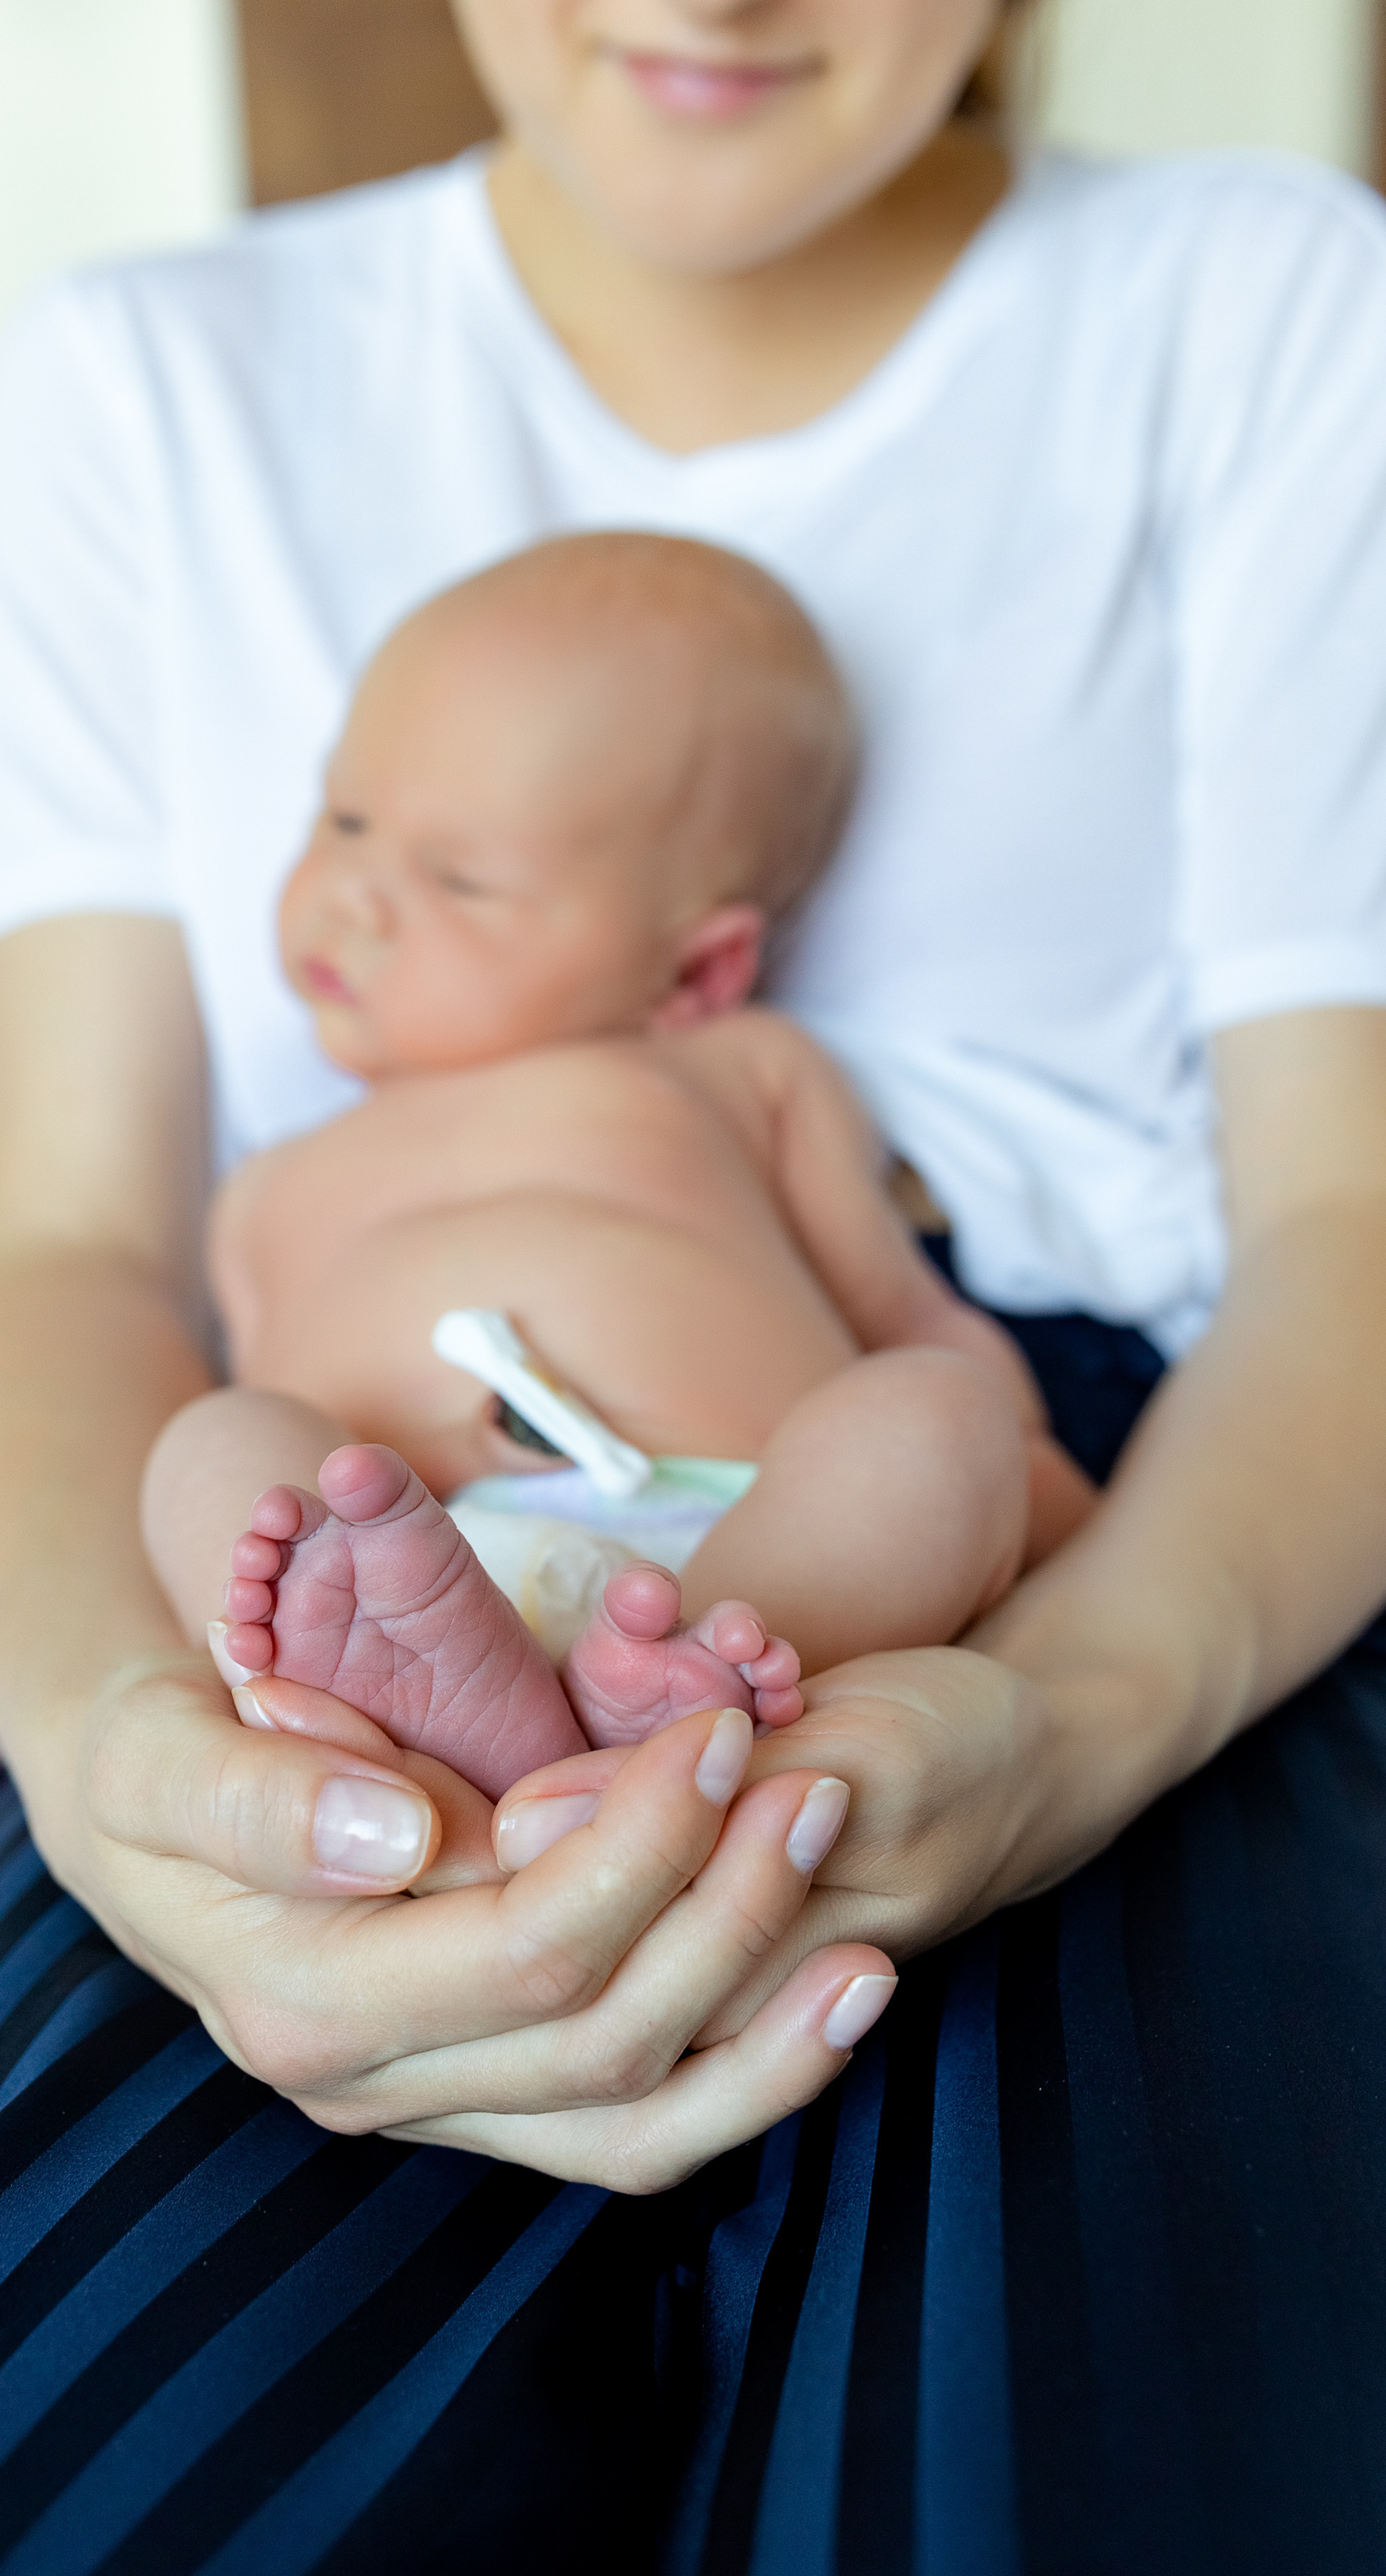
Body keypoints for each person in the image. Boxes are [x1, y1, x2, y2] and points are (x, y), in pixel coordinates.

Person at [0, 3, 1386, 2576]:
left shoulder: (1267, 303)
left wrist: (1070, 1698)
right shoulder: (155, 377)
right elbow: (82, 1253)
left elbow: (1351, 1229)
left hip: (1073, 1534)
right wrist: (106, 1733)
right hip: (321, 1552)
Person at [143, 527, 1096, 1802]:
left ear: (693, 971)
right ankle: (418, 1691)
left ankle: (657, 1681)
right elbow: (264, 1444)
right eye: (344, 817)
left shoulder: (739, 1072)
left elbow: (902, 1310)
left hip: (740, 1557)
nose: (352, 896)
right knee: (214, 1440)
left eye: (461, 879)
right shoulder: (266, 1187)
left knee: (935, 1411)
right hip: (389, 1579)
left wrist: (1021, 1483)